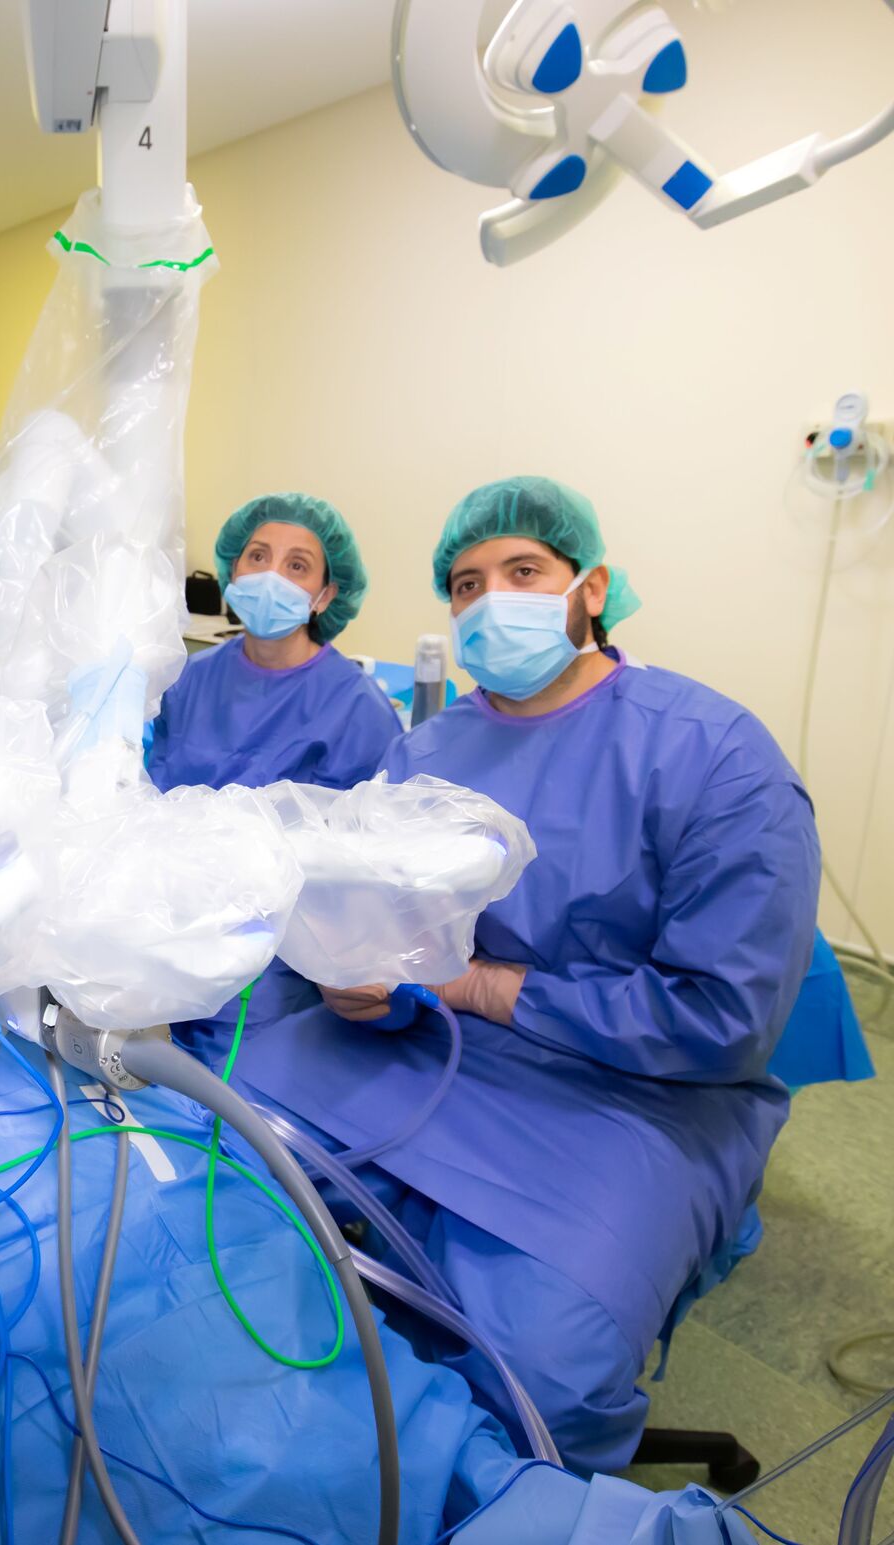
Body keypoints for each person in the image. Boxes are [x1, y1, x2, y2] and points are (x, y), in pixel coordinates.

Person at [200, 475, 821, 1473]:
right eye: (466, 583)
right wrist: (356, 981)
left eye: (523, 571)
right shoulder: (426, 753)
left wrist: (475, 986)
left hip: (636, 1097)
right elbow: (392, 938)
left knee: (537, 1373)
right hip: (426, 1051)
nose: (492, 599)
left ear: (591, 589)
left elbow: (720, 1019)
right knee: (201, 1168)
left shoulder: (714, 756)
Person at [148, 492, 402, 792]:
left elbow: (369, 815)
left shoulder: (358, 709)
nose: (271, 577)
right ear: (233, 569)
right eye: (258, 557)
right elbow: (152, 787)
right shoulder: (189, 679)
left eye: (297, 565)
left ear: (326, 596)